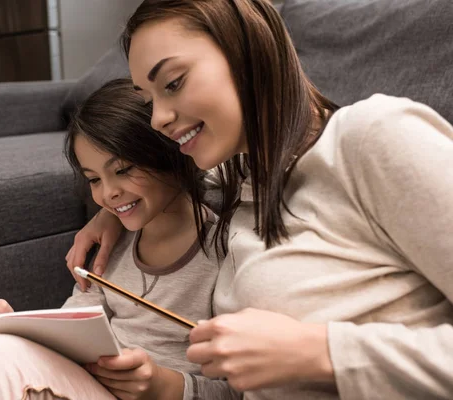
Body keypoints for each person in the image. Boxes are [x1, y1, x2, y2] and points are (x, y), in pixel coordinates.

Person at [65, 1, 453, 399]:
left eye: (174, 82)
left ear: (248, 52)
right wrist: (112, 212)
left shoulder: (373, 140)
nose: (158, 119)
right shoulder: (241, 181)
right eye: (148, 102)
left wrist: (321, 354)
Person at [0, 79, 239, 400]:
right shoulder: (109, 246)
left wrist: (164, 386)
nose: (108, 193)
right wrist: (13, 328)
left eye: (123, 170)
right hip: (88, 382)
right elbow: (74, 326)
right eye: (93, 180)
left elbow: (242, 390)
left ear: (170, 150)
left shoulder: (226, 253)